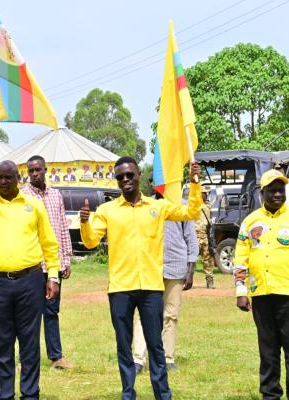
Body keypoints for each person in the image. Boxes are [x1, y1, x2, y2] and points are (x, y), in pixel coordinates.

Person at [79, 156, 202, 400]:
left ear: (138, 176)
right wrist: (84, 222)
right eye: (120, 177)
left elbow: (191, 211)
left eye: (129, 175)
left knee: (155, 346)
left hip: (151, 288)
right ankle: (128, 394)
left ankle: (163, 395)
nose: (125, 180)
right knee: (124, 347)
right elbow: (91, 240)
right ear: (116, 181)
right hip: (120, 289)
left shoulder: (157, 207)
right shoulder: (107, 211)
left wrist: (195, 183)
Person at [0, 153, 60, 400]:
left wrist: (53, 276)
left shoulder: (33, 205)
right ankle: (4, 395)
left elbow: (49, 244)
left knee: (29, 344)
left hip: (30, 281)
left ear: (18, 178)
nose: (3, 182)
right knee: (3, 345)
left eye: (8, 177)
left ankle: (30, 394)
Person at [234, 170, 289, 400]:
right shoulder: (250, 222)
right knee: (268, 351)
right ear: (262, 193)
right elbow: (241, 258)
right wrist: (241, 291)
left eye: (281, 189)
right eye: (272, 190)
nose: (277, 193)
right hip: (261, 295)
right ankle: (270, 395)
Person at [132, 191, 198, 373]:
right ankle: (138, 359)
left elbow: (190, 237)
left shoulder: (182, 205)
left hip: (176, 266)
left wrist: (190, 269)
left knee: (171, 315)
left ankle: (168, 358)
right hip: (150, 267)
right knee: (144, 314)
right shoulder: (145, 205)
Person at [20, 155, 75, 370]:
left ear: (46, 170)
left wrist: (66, 258)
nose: (34, 174)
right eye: (30, 170)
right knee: (28, 315)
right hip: (31, 264)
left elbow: (62, 226)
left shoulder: (56, 195)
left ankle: (56, 357)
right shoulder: (22, 196)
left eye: (37, 170)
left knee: (51, 312)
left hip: (53, 266)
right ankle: (26, 360)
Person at [197, 189, 215, 289]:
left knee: (208, 260)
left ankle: (210, 282)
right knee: (189, 260)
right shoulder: (193, 205)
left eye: (205, 193)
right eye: (203, 193)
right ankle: (185, 280)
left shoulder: (208, 206)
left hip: (205, 235)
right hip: (195, 236)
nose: (205, 194)